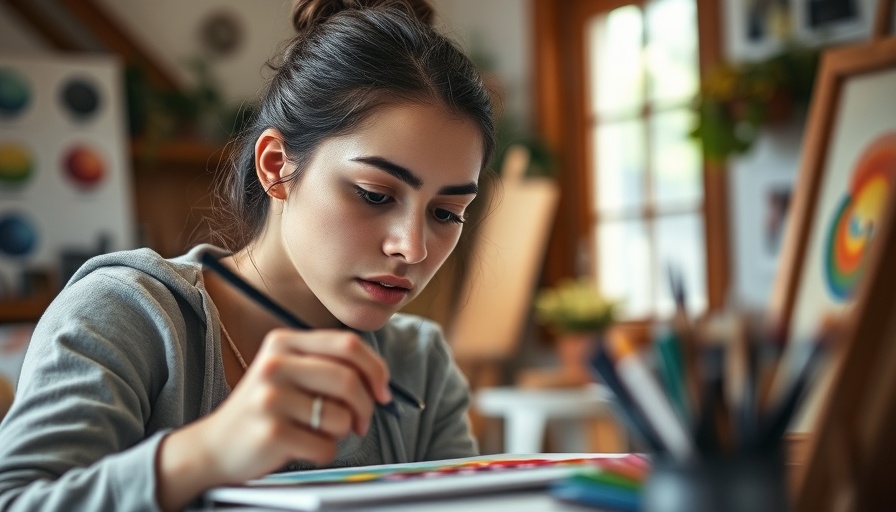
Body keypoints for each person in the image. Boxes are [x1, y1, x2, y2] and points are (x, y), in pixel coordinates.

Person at [0, 0, 496, 510]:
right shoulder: (126, 316)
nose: (411, 248)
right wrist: (205, 453)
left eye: (446, 213)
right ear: (277, 165)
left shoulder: (419, 367)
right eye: (374, 194)